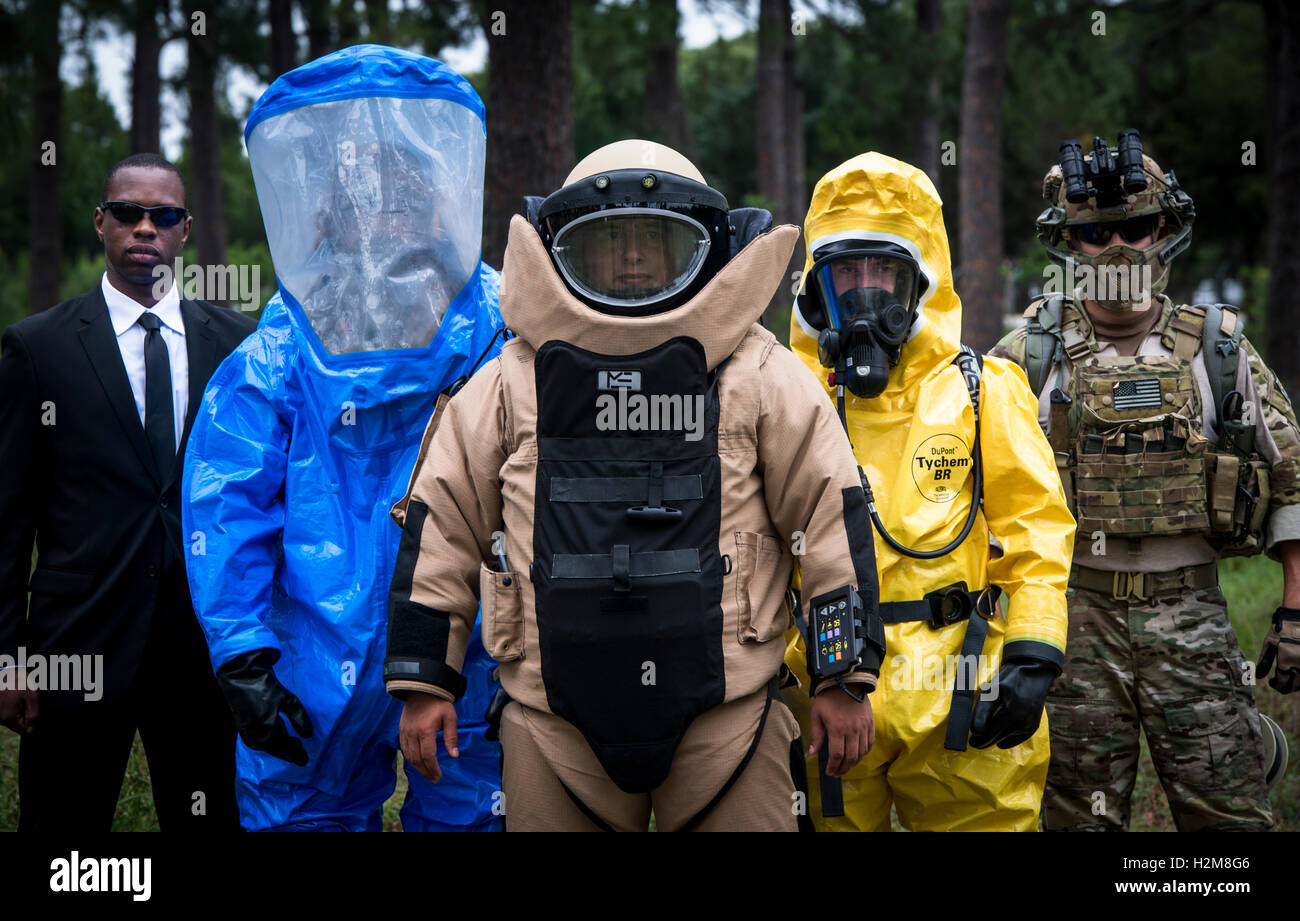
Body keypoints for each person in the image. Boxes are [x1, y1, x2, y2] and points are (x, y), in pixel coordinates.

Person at [385, 139, 885, 832]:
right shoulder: (508, 383)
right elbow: (441, 526)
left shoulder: (759, 376)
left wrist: (844, 677)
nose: (629, 257)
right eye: (608, 239)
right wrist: (424, 681)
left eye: (654, 239)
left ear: (705, 252)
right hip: (553, 725)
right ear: (561, 252)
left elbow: (832, 518)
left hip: (729, 719)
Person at [182, 45, 504, 832]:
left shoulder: (501, 327)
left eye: (400, 196)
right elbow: (227, 502)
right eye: (365, 200)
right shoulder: (280, 352)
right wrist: (243, 651)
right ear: (328, 214)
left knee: (472, 819)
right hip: (313, 659)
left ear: (437, 206)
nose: (381, 217)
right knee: (303, 819)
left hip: (471, 644)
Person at [991, 131, 1300, 830]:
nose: (1117, 249)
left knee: (1227, 818)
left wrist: (1294, 612)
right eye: (1095, 232)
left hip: (1191, 616)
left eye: (1133, 227)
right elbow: (979, 500)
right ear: (1068, 245)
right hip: (1073, 623)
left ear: (1164, 230)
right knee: (1072, 817)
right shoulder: (1027, 357)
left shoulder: (1218, 349)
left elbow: (1292, 482)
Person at [783, 152, 1075, 831]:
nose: (863, 294)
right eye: (843, 274)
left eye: (882, 273)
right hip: (823, 692)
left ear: (921, 284)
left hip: (962, 689)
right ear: (813, 289)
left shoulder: (980, 390)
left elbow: (1036, 528)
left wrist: (1033, 649)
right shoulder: (786, 401)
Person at [0, 153, 253, 831]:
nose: (145, 227)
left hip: (203, 649)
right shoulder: (37, 348)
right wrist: (9, 655)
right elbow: (7, 518)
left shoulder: (238, 346)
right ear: (100, 222)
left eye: (162, 216)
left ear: (185, 230)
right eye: (128, 213)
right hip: (77, 644)